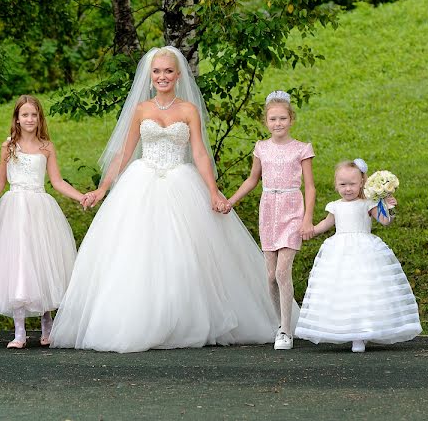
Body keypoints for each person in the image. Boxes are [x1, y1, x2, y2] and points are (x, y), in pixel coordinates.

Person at [49, 46, 284, 353]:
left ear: (177, 75)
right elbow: (124, 152)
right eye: (157, 71)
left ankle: (183, 320)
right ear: (150, 76)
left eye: (168, 71)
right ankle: (136, 321)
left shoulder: (188, 110)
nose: (162, 76)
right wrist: (102, 188)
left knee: (184, 253)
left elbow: (199, 152)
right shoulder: (142, 110)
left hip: (180, 182)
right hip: (141, 183)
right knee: (136, 254)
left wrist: (213, 191)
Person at [0, 95, 84, 348]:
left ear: (39, 118)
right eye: (25, 115)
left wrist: (80, 196)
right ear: (17, 118)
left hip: (39, 208)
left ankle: (47, 322)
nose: (30, 119)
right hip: (14, 209)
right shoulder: (9, 147)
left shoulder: (47, 147)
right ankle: (20, 331)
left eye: (34, 115)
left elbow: (56, 181)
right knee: (18, 264)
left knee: (41, 261)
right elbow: (0, 181)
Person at [294, 159, 421, 353]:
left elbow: (385, 221)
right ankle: (349, 331)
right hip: (339, 252)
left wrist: (387, 205)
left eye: (352, 184)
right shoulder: (335, 206)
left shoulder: (367, 203)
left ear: (362, 182)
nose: (347, 189)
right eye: (342, 185)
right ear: (336, 185)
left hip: (365, 250)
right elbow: (326, 224)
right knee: (344, 289)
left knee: (364, 288)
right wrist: (309, 231)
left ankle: (362, 334)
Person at [226, 90, 316, 350]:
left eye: (283, 119)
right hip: (268, 210)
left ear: (291, 119)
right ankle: (280, 323)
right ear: (266, 122)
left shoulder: (301, 149)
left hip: (291, 209)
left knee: (281, 271)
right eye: (273, 119)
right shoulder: (261, 148)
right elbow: (253, 180)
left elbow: (309, 186)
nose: (278, 124)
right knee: (269, 275)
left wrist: (307, 218)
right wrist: (231, 201)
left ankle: (286, 331)